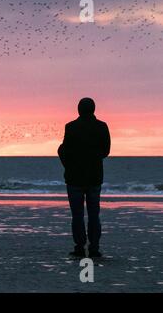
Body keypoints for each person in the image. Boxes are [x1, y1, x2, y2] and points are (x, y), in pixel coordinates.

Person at [58, 98, 111, 258]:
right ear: (93, 109)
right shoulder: (101, 127)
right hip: (94, 176)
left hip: (75, 177)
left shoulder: (71, 127)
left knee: (77, 214)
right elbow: (106, 151)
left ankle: (79, 247)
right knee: (94, 214)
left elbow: (64, 150)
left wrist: (68, 166)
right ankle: (94, 247)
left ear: (79, 110)